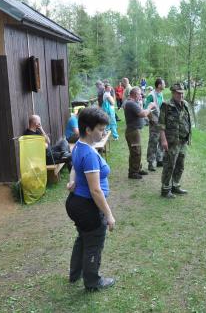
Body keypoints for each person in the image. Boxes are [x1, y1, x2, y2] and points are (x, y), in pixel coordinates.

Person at [65, 107, 116, 291]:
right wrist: (108, 215)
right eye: (101, 129)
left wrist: (72, 180)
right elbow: (95, 190)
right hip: (87, 207)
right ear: (88, 129)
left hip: (76, 203)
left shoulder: (79, 146)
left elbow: (74, 168)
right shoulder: (89, 154)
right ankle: (92, 282)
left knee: (83, 238)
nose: (103, 133)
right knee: (93, 243)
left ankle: (75, 273)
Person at [158, 83, 192, 198]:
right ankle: (165, 189)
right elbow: (161, 125)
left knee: (180, 165)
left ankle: (175, 185)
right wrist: (163, 140)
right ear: (173, 93)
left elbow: (187, 121)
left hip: (183, 141)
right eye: (178, 93)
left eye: (182, 93)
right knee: (169, 165)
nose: (181, 95)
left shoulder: (185, 104)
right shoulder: (166, 105)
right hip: (171, 141)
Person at [123, 87, 156, 179]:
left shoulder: (133, 103)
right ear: (134, 94)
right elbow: (143, 114)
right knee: (136, 152)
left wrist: (150, 118)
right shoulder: (130, 103)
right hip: (132, 131)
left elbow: (142, 112)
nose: (141, 95)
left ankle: (137, 169)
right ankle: (133, 173)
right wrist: (149, 106)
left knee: (136, 151)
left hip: (134, 131)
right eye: (139, 94)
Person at [145, 78, 165, 171]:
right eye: (163, 83)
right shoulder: (151, 95)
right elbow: (146, 109)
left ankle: (159, 160)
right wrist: (151, 119)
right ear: (159, 85)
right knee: (153, 142)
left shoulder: (160, 94)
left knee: (162, 141)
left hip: (161, 121)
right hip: (154, 122)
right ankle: (150, 163)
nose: (164, 85)